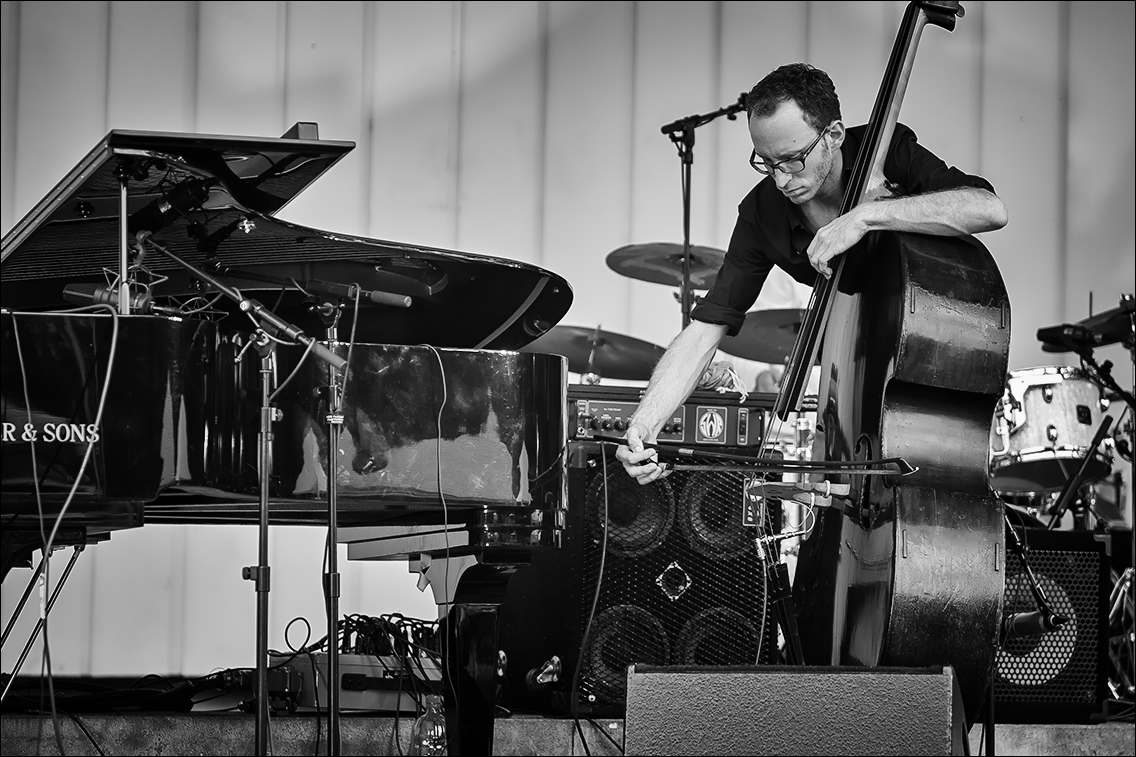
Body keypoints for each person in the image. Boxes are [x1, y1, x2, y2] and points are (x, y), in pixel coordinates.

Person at [616, 62, 1007, 485]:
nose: (781, 178)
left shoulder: (887, 152)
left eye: (793, 160)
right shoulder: (760, 214)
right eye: (766, 162)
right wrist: (644, 424)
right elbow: (707, 326)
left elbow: (988, 209)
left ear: (834, 136)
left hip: (923, 373)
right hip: (852, 381)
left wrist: (867, 218)